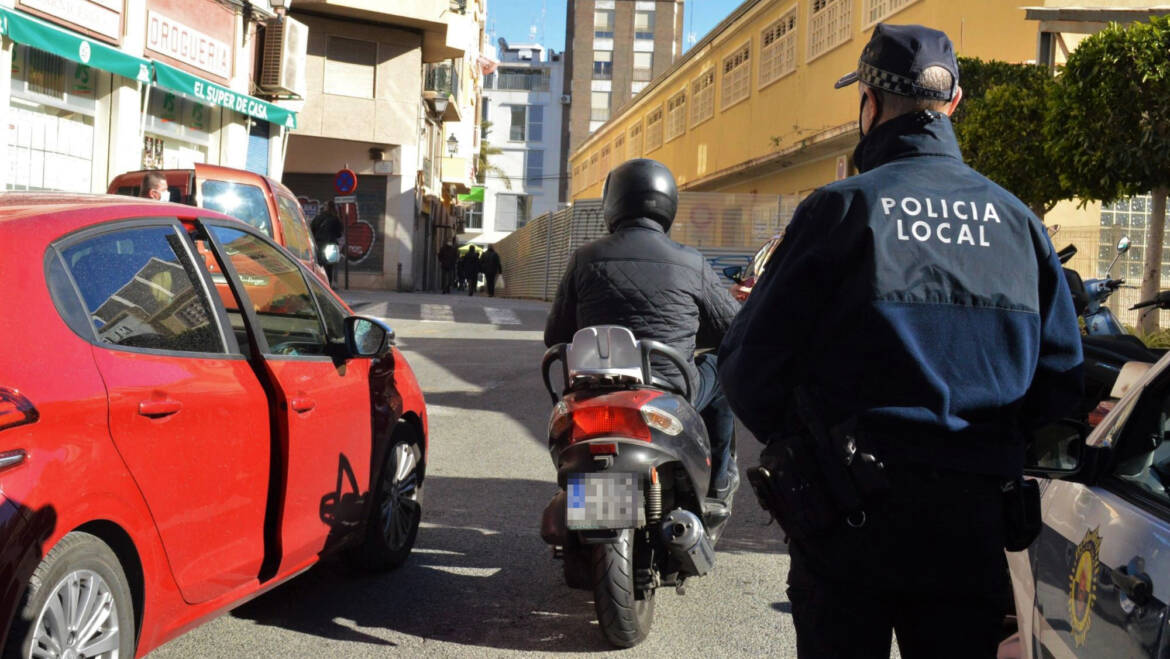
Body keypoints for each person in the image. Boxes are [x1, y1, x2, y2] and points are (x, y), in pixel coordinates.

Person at [718, 24, 1083, 658]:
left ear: (869, 103)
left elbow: (750, 364)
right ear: (954, 103)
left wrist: (809, 448)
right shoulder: (1019, 222)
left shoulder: (840, 210)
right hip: (971, 528)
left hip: (848, 516)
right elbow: (1060, 384)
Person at [545, 158, 742, 502]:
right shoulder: (691, 261)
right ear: (669, 204)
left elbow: (556, 335)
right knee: (723, 368)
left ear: (613, 203)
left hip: (594, 386)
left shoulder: (585, 258)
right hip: (670, 388)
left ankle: (586, 495)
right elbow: (733, 329)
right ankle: (718, 482)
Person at [310, 200, 344, 285]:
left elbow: (311, 230)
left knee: (319, 265)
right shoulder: (335, 219)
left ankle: (319, 284)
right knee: (330, 267)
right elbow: (339, 233)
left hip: (319, 245)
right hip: (330, 245)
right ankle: (328, 285)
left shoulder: (318, 218)